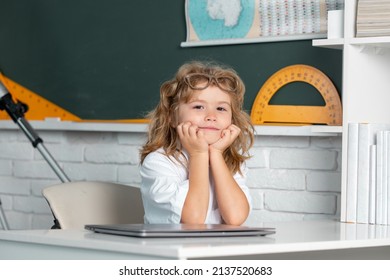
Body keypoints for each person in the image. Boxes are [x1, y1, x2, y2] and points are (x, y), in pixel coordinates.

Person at [139, 60, 254, 225]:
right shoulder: (159, 162)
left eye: (221, 109)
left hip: (215, 250)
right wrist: (198, 154)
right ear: (172, 117)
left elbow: (235, 218)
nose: (211, 116)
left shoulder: (231, 164)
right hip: (171, 249)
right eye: (199, 107)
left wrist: (216, 154)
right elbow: (193, 221)